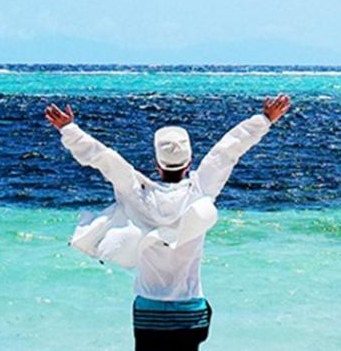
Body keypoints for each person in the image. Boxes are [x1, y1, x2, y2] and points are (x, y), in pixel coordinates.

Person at [44, 93, 291, 348]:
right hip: (190, 312)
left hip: (149, 313)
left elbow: (103, 158)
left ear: (156, 164)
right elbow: (227, 151)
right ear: (189, 163)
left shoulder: (137, 193)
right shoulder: (200, 190)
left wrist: (69, 129)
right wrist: (265, 119)